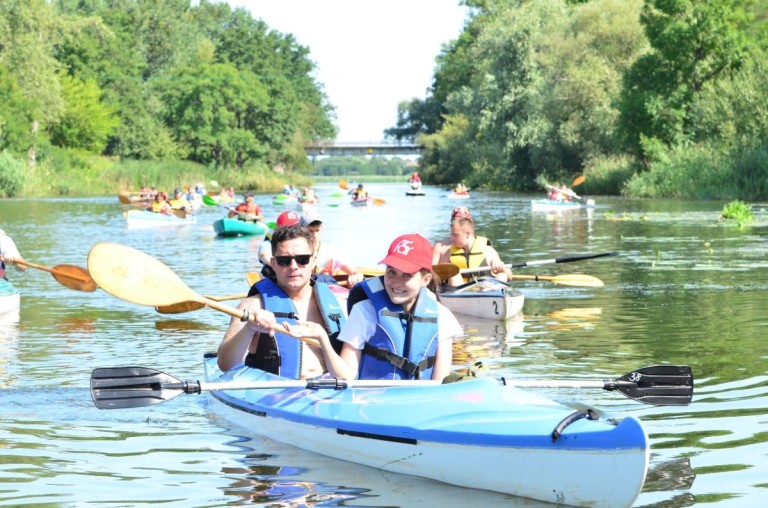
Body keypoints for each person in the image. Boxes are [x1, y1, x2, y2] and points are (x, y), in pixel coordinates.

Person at [281, 233, 462, 381]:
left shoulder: (441, 316)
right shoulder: (365, 311)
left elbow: (440, 381)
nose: (396, 283)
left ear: (426, 280)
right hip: (372, 404)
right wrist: (322, 338)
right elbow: (347, 375)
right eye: (391, 272)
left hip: (420, 403)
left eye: (406, 275)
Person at [217, 225, 348, 379]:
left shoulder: (340, 303)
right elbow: (225, 364)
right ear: (273, 263)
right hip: (276, 394)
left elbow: (351, 368)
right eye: (284, 260)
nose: (293, 267)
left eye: (302, 259)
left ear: (312, 261)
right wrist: (249, 328)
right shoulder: (252, 306)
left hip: (331, 391)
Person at [432, 209, 508, 286]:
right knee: (454, 274)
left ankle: (493, 295)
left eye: (455, 235)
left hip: (484, 290)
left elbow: (509, 274)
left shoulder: (488, 251)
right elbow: (432, 273)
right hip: (458, 292)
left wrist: (500, 267)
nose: (451, 238)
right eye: (452, 234)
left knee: (502, 275)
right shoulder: (447, 252)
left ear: (467, 234)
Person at [300, 208, 363, 286]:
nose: (314, 235)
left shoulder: (331, 252)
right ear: (302, 230)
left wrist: (355, 277)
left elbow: (356, 273)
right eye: (311, 231)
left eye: (317, 230)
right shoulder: (295, 252)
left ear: (321, 228)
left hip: (324, 292)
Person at [258, 210, 301, 276]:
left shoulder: (302, 240)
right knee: (267, 269)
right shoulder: (268, 243)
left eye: (297, 227)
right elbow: (264, 254)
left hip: (297, 272)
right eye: (292, 228)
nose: (295, 231)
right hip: (277, 274)